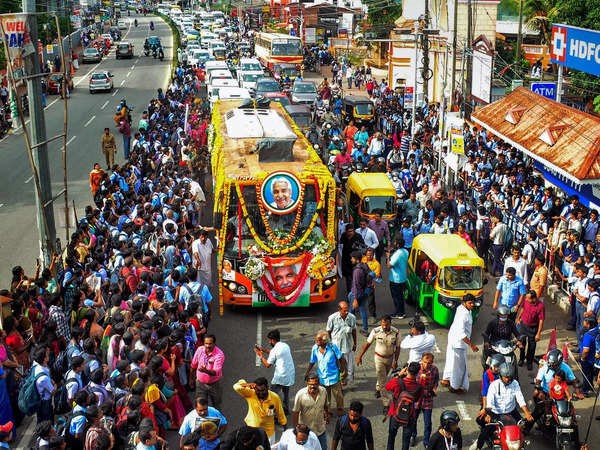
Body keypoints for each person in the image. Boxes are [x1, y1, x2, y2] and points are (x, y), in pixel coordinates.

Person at [475, 363, 533, 450]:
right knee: (485, 432)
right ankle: (478, 446)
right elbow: (490, 403)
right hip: (496, 413)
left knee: (522, 429)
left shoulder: (515, 384)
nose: (508, 379)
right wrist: (489, 414)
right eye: (506, 377)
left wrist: (527, 413)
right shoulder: (493, 385)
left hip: (511, 411)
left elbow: (520, 399)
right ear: (500, 376)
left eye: (510, 377)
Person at [356, 315, 399, 406]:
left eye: (386, 325)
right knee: (383, 380)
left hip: (390, 358)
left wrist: (395, 361)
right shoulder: (375, 331)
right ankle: (386, 403)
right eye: (383, 324)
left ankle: (378, 388)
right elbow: (367, 344)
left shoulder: (396, 332)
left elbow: (398, 347)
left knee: (383, 376)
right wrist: (360, 356)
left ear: (390, 323)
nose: (384, 326)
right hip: (379, 358)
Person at [441, 294, 479, 393]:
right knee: (459, 366)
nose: (472, 304)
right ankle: (455, 386)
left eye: (473, 302)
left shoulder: (462, 308)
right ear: (464, 303)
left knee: (451, 360)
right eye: (470, 303)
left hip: (453, 339)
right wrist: (472, 345)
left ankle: (446, 379)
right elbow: (462, 334)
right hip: (459, 343)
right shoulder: (463, 315)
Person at [304, 330, 346, 417]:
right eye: (316, 340)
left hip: (334, 377)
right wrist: (307, 372)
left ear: (325, 340)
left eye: (319, 340)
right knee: (325, 396)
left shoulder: (333, 347)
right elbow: (312, 361)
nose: (316, 342)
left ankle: (340, 408)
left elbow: (341, 358)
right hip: (322, 377)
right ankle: (327, 410)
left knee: (338, 395)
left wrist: (344, 370)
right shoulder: (315, 348)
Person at [233, 377, 287, 445]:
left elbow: (280, 413)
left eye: (263, 390)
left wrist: (285, 428)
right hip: (252, 432)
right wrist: (247, 384)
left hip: (268, 433)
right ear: (254, 388)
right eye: (258, 390)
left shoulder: (275, 397)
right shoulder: (250, 393)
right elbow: (236, 387)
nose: (260, 393)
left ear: (267, 387)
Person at [253, 329, 295, 414]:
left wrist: (260, 355)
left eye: (269, 340)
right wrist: (263, 350)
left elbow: (268, 364)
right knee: (285, 393)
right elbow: (275, 354)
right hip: (289, 374)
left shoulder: (275, 350)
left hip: (280, 376)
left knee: (271, 395)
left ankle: (271, 414)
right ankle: (286, 409)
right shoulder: (285, 345)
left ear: (272, 340)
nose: (269, 342)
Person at [385, 362, 423, 450]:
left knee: (391, 438)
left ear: (407, 370)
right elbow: (417, 400)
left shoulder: (398, 382)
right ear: (417, 373)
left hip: (395, 413)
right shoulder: (419, 387)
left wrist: (399, 375)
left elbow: (387, 387)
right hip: (410, 415)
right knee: (406, 442)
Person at [410, 352, 439, 448]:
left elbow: (436, 381)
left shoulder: (434, 370)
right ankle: (413, 435)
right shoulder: (416, 369)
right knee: (413, 420)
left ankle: (426, 441)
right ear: (421, 361)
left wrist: (434, 388)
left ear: (432, 362)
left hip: (428, 400)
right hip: (416, 399)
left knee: (427, 423)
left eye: (429, 363)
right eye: (425, 362)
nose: (426, 365)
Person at [292, 374, 329, 450]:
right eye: (311, 384)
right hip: (306, 433)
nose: (313, 386)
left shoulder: (323, 391)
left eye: (315, 384)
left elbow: (326, 405)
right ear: (307, 384)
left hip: (320, 430)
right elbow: (296, 412)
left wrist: (327, 415)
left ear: (319, 384)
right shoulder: (300, 395)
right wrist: (296, 430)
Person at [189, 334, 225, 409]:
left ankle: (218, 420)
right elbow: (193, 365)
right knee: (200, 406)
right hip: (200, 384)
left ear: (214, 344)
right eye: (206, 343)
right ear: (203, 343)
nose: (208, 346)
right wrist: (191, 379)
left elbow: (215, 372)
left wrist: (205, 371)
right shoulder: (199, 350)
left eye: (210, 343)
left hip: (215, 384)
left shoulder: (219, 355)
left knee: (217, 405)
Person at [326, 301, 357, 384]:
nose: (346, 312)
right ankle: (339, 382)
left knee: (349, 366)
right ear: (339, 310)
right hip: (337, 348)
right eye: (344, 310)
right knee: (337, 366)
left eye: (347, 310)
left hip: (348, 347)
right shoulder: (332, 318)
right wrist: (331, 343)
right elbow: (329, 331)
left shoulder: (352, 317)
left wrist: (355, 343)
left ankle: (345, 379)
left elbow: (354, 331)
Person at [515, 290, 545, 371]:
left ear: (534, 299)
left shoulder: (540, 306)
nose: (526, 299)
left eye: (528, 298)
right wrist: (518, 318)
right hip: (523, 326)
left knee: (532, 346)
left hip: (533, 328)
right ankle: (521, 359)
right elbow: (522, 309)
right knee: (522, 343)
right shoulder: (526, 301)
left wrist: (538, 333)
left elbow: (541, 320)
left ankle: (529, 362)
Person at [349, 251, 370, 335]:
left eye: (352, 258)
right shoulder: (364, 265)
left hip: (357, 293)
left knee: (353, 310)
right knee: (361, 310)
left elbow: (356, 285)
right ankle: (363, 327)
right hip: (364, 291)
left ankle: (351, 326)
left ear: (357, 260)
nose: (351, 260)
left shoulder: (357, 271)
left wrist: (355, 299)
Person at [387, 238, 409, 319]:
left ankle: (399, 313)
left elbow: (389, 265)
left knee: (396, 297)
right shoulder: (406, 251)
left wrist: (388, 257)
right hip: (403, 278)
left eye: (395, 243)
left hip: (396, 279)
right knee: (400, 296)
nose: (394, 244)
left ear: (398, 245)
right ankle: (402, 312)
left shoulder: (397, 253)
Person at [361, 248, 381, 321]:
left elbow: (376, 276)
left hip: (370, 285)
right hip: (361, 284)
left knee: (371, 301)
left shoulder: (376, 264)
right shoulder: (362, 260)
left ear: (373, 255)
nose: (369, 256)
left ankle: (373, 316)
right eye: (368, 255)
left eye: (371, 255)